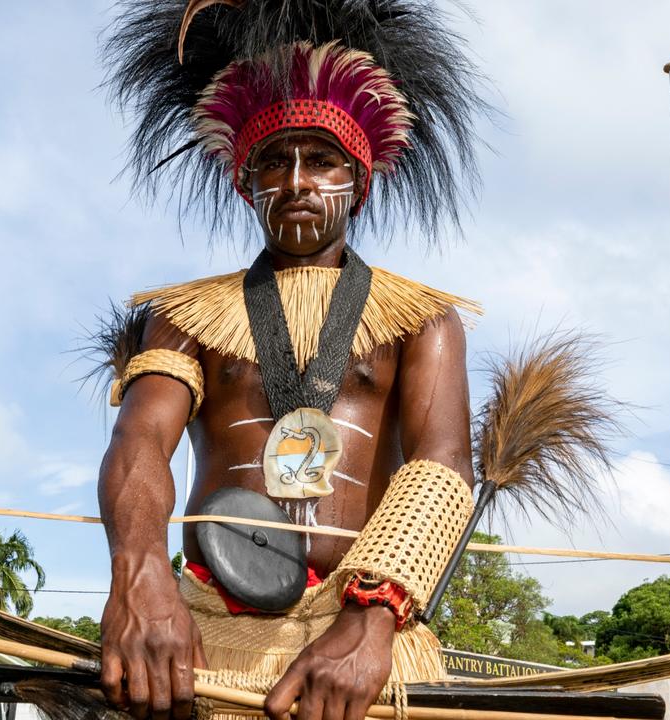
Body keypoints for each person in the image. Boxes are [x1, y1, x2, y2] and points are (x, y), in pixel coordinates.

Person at [93, 2, 490, 719]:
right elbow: (141, 437)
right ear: (247, 184)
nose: (298, 181)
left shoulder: (423, 319)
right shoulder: (184, 317)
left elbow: (443, 466)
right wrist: (140, 577)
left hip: (364, 641)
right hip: (206, 641)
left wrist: (372, 623)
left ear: (361, 179)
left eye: (323, 158)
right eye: (273, 160)